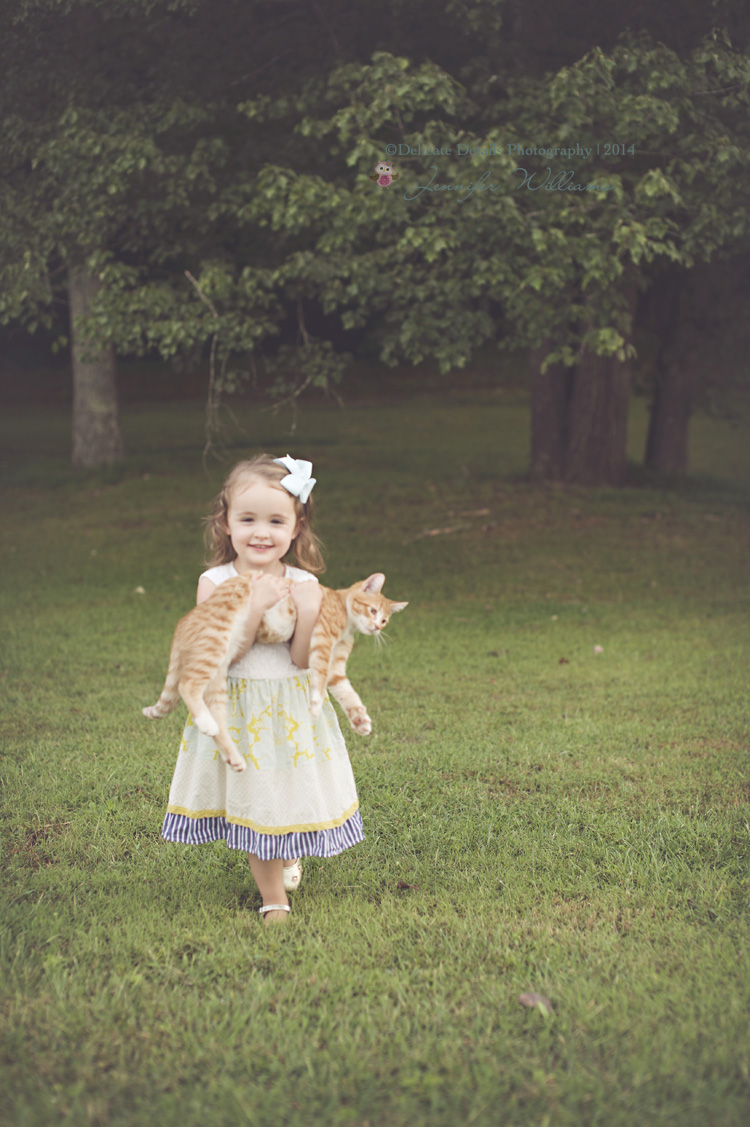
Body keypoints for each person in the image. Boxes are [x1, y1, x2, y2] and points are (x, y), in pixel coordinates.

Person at [161, 454, 364, 924]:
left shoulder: (303, 582)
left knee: (285, 794)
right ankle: (274, 897)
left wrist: (311, 609)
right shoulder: (213, 584)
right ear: (225, 523)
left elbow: (300, 658)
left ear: (296, 528)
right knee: (259, 799)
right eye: (247, 518)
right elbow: (223, 658)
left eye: (276, 520)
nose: (260, 532)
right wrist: (254, 607)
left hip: (290, 710)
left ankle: (285, 853)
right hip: (240, 709)